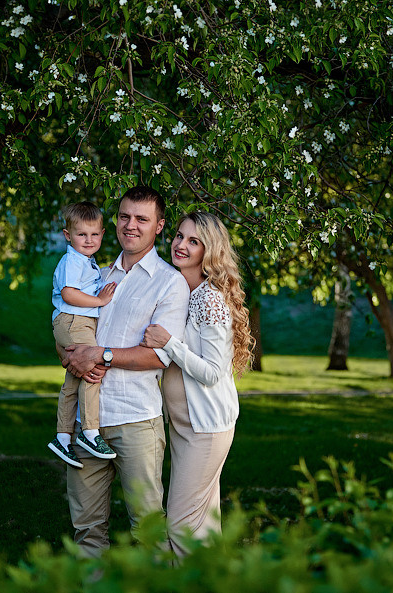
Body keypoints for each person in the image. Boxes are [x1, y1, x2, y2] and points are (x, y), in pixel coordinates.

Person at [62, 186, 190, 557]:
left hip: (136, 420)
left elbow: (158, 358)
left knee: (147, 531)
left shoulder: (170, 283)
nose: (130, 225)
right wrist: (72, 355)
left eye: (141, 219)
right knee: (87, 530)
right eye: (123, 216)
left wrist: (97, 354)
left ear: (159, 226)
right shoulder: (95, 276)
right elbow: (71, 329)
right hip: (87, 422)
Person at [140, 211, 254, 558]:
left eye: (193, 241)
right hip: (186, 427)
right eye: (178, 236)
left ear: (210, 251)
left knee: (181, 523)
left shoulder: (209, 299)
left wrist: (169, 342)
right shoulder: (183, 292)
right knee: (201, 525)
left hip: (207, 429)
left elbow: (212, 372)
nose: (181, 245)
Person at [47, 202, 119, 469]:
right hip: (74, 320)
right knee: (92, 367)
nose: (89, 240)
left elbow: (84, 283)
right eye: (81, 234)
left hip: (74, 321)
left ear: (101, 234)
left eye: (94, 234)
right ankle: (90, 432)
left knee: (73, 380)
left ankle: (63, 436)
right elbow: (68, 293)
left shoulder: (85, 261)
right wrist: (100, 301)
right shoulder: (72, 260)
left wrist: (106, 272)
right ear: (68, 235)